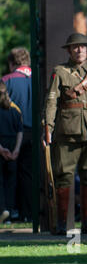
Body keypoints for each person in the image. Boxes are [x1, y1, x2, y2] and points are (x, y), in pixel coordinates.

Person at [43, 33, 87, 235]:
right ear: (69, 50)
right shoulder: (60, 72)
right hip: (67, 132)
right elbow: (52, 101)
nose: (79, 50)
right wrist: (48, 126)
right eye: (75, 47)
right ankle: (62, 223)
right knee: (64, 177)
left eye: (83, 47)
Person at [2, 47, 33, 222]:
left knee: (9, 174)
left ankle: (10, 210)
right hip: (34, 133)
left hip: (12, 134)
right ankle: (27, 213)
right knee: (28, 174)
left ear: (12, 62)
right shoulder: (38, 80)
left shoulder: (7, 80)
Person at [0, 82, 23, 224]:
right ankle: (9, 211)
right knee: (11, 182)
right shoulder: (15, 111)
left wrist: (1, 149)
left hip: (2, 147)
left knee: (0, 181)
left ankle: (2, 209)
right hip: (12, 146)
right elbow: (20, 131)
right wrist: (16, 150)